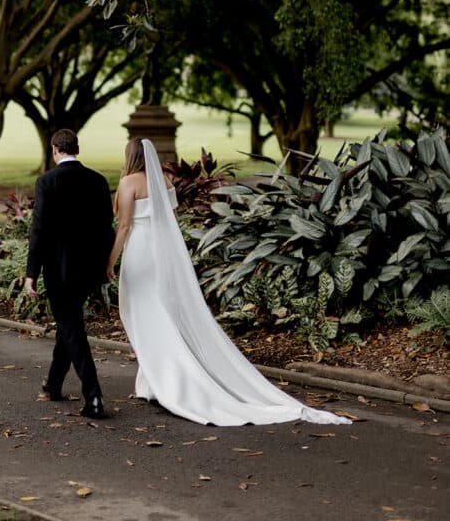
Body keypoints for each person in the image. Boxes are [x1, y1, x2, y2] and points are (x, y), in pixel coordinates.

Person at [107, 137, 351, 427]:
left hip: (139, 252)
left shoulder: (128, 183)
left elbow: (124, 225)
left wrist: (109, 261)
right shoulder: (164, 181)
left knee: (146, 314)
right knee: (163, 312)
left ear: (129, 156)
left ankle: (170, 381)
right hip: (162, 253)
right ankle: (151, 381)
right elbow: (172, 220)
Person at [24, 128, 114, 419]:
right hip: (88, 270)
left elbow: (39, 230)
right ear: (77, 148)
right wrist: (104, 266)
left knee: (72, 329)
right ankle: (53, 384)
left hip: (59, 271)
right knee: (68, 325)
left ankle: (94, 396)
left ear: (54, 150)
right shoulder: (98, 181)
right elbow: (106, 229)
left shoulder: (47, 182)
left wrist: (31, 273)